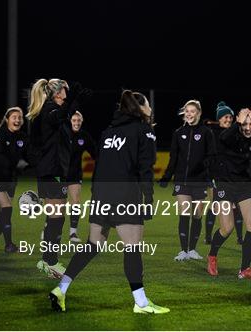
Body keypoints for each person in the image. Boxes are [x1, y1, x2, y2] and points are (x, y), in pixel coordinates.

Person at [49, 90, 169, 314]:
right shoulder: (144, 130)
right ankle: (141, 302)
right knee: (132, 247)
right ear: (140, 108)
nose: (151, 109)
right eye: (148, 105)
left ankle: (61, 289)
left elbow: (99, 167)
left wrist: (96, 195)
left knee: (92, 245)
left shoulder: (108, 131)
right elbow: (145, 169)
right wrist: (149, 199)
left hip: (102, 196)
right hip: (125, 195)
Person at [27, 79, 91, 278]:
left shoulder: (53, 110)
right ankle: (50, 262)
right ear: (57, 93)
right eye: (66, 91)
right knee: (56, 218)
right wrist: (73, 100)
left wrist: (74, 102)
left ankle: (47, 260)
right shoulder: (49, 110)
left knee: (55, 218)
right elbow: (60, 116)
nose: (68, 93)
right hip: (51, 172)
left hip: (55, 171)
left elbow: (65, 117)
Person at [206, 107, 251, 280]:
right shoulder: (228, 134)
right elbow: (224, 137)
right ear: (238, 122)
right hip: (225, 184)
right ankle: (212, 255)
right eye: (245, 123)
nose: (248, 127)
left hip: (244, 185)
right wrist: (239, 123)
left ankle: (245, 269)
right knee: (227, 228)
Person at [159, 100, 215, 261]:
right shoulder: (178, 133)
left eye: (192, 111)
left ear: (199, 113)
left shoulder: (206, 132)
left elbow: (212, 155)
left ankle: (192, 250)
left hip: (199, 181)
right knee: (184, 213)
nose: (189, 114)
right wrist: (166, 177)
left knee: (197, 215)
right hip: (182, 181)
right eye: (187, 111)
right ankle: (183, 251)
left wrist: (205, 166)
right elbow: (173, 158)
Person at [0, 107, 27, 253]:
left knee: (3, 213)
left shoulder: (21, 137)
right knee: (7, 208)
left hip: (10, 178)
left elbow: (29, 154)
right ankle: (9, 245)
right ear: (7, 119)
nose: (18, 120)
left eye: (20, 117)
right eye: (14, 117)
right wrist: (13, 164)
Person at [204, 102, 244, 245]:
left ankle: (240, 238)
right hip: (216, 176)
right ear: (219, 118)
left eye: (230, 117)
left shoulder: (235, 133)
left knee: (236, 205)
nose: (228, 119)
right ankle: (208, 236)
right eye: (225, 117)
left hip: (231, 175)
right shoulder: (213, 133)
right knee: (214, 205)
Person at [63, 111, 97, 243]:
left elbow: (95, 153)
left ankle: (73, 233)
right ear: (70, 121)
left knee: (76, 202)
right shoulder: (63, 134)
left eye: (78, 120)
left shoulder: (84, 136)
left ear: (81, 121)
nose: (76, 123)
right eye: (74, 120)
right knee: (57, 204)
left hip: (75, 174)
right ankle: (48, 228)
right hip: (60, 173)